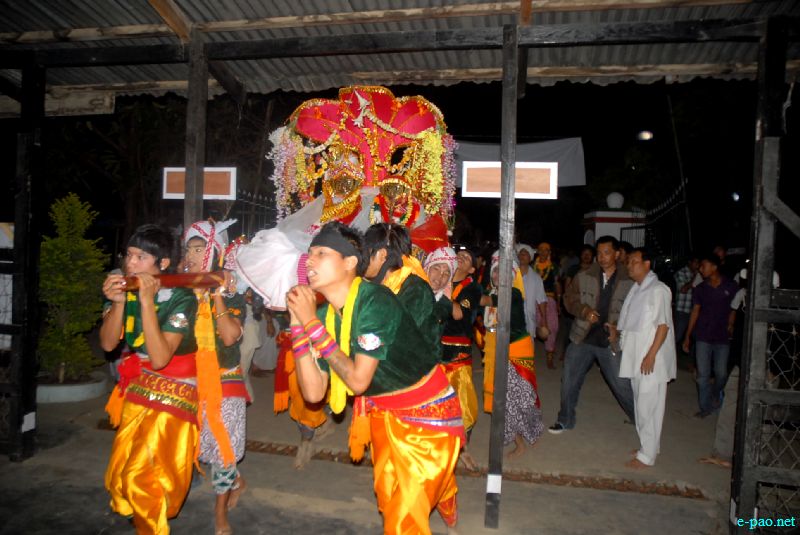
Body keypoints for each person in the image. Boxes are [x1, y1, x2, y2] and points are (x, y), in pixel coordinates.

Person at [287, 222, 464, 535]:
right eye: (309, 253)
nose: (309, 260)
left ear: (350, 262)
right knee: (388, 497)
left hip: (429, 417)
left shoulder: (375, 301)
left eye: (321, 253)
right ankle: (443, 491)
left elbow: (357, 382)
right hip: (385, 414)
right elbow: (314, 393)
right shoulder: (326, 316)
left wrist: (311, 324)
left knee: (402, 520)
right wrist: (299, 329)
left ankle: (441, 493)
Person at [100, 224, 199, 534]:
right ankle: (143, 516)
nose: (130, 263)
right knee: (119, 472)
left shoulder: (182, 298)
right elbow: (108, 344)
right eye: (128, 255)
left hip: (174, 390)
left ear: (163, 263)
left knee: (141, 477)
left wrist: (145, 301)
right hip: (139, 384)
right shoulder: (124, 289)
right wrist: (118, 303)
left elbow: (160, 358)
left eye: (141, 257)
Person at [183, 220, 249, 535]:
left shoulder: (232, 293)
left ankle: (219, 512)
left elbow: (230, 337)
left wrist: (217, 294)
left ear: (213, 253)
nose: (192, 255)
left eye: (199, 249)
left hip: (225, 380)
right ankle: (237, 482)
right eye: (189, 250)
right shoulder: (181, 290)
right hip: (192, 379)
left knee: (222, 449)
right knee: (199, 446)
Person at [548, 235, 635, 434]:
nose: (602, 257)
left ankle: (641, 419)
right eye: (599, 253)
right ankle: (565, 419)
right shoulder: (584, 275)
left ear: (617, 254)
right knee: (569, 380)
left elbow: (635, 312)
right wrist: (584, 310)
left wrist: (619, 329)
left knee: (621, 385)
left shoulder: (628, 280)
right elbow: (569, 299)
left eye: (607, 252)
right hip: (582, 337)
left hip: (609, 340)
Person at [612, 248, 676, 468]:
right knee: (641, 405)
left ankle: (647, 456)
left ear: (647, 264)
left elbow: (663, 326)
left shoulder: (658, 290)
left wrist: (651, 355)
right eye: (628, 262)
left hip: (650, 359)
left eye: (634, 262)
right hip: (636, 357)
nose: (629, 266)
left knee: (648, 406)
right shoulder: (637, 289)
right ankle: (649, 446)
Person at [481, 252, 544, 459]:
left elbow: (488, 301)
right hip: (501, 350)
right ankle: (522, 439)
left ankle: (524, 438)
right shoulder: (493, 292)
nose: (498, 275)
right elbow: (489, 326)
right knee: (510, 398)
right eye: (495, 271)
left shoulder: (513, 293)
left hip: (517, 349)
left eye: (503, 272)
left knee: (519, 397)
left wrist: (467, 294)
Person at [424, 246, 480, 471]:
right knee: (433, 403)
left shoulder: (472, 288)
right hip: (434, 350)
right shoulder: (437, 276)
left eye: (467, 257)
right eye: (460, 255)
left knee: (463, 405)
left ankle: (462, 449)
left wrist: (440, 291)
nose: (462, 257)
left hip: (458, 353)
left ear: (471, 269)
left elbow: (458, 313)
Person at [682, 254, 739, 418]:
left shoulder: (730, 285)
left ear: (714, 267)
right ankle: (705, 407)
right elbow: (695, 311)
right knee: (702, 376)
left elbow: (735, 306)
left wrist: (731, 322)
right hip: (703, 335)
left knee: (721, 374)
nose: (701, 269)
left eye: (704, 266)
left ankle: (715, 395)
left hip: (722, 336)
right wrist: (687, 336)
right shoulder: (700, 289)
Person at [517, 243, 549, 365]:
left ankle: (525, 375)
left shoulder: (536, 278)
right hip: (511, 320)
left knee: (527, 354)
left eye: (525, 254)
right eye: (520, 253)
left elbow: (541, 300)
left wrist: (544, 321)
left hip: (528, 321)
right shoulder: (510, 275)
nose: (522, 255)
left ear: (530, 258)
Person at [533, 242, 561, 369]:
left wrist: (559, 302)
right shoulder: (532, 266)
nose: (543, 252)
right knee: (531, 325)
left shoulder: (553, 267)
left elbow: (557, 284)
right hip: (534, 300)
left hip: (549, 299)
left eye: (546, 250)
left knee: (552, 327)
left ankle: (550, 357)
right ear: (538, 251)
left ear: (549, 252)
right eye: (541, 249)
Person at [673, 253, 700, 357]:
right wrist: (695, 278)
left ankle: (692, 360)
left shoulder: (700, 274)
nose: (697, 265)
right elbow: (683, 289)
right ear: (690, 262)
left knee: (696, 336)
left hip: (694, 311)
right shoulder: (681, 273)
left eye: (699, 263)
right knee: (678, 335)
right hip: (682, 310)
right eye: (695, 262)